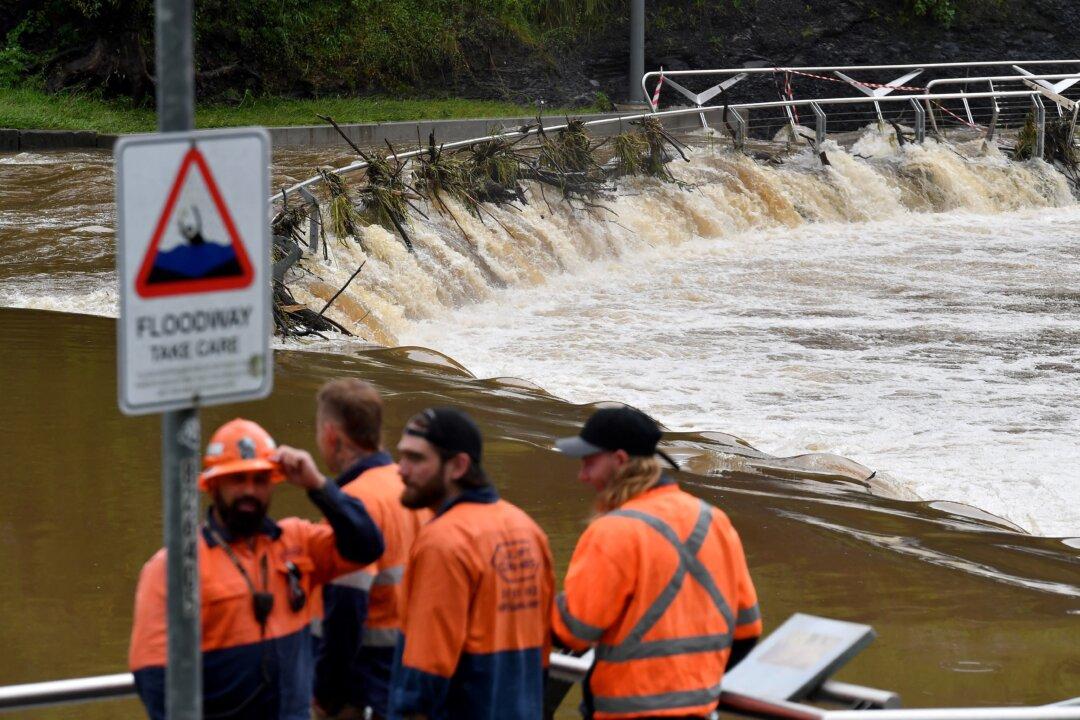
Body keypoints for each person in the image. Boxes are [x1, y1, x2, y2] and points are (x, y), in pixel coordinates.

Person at [128, 418, 385, 720]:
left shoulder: (297, 542)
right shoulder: (174, 567)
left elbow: (367, 545)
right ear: (212, 485)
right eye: (238, 480)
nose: (249, 490)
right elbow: (154, 676)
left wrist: (318, 484)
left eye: (260, 480)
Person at [551, 406, 762, 720]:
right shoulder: (714, 520)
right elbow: (747, 630)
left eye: (589, 462)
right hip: (701, 712)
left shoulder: (613, 530)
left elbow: (573, 631)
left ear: (620, 461)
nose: (583, 476)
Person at [386, 407, 555, 720]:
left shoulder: (444, 541)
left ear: (458, 465)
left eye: (416, 458)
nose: (401, 470)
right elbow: (542, 651)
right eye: (402, 456)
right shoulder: (527, 528)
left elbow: (426, 668)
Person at [311, 379, 430, 719]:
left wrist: (326, 695)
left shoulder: (352, 505)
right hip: (409, 678)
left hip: (361, 689)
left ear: (332, 435)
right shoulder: (411, 490)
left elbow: (346, 610)